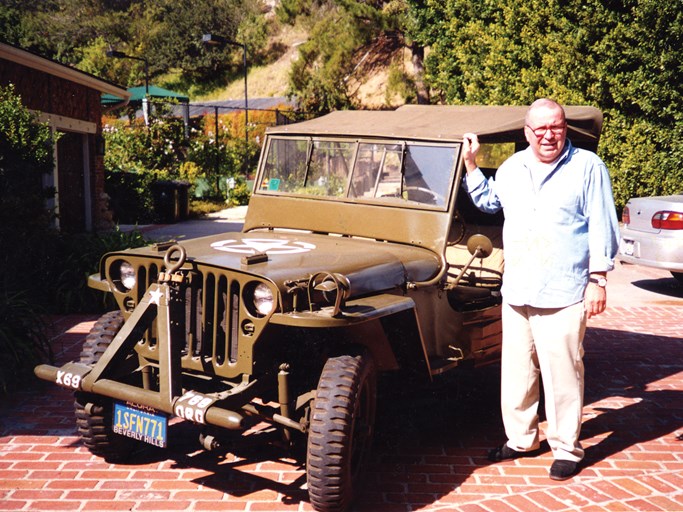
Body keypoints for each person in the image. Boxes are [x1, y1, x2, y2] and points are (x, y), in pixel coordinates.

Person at [461, 98, 619, 481]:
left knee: (563, 373)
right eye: (540, 128)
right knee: (516, 372)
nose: (549, 135)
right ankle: (521, 439)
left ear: (564, 129)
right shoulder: (513, 168)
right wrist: (471, 165)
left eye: (556, 127)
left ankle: (566, 447)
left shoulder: (587, 167)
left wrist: (598, 280)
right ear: (527, 132)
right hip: (518, 290)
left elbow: (603, 224)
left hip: (565, 290)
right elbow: (487, 202)